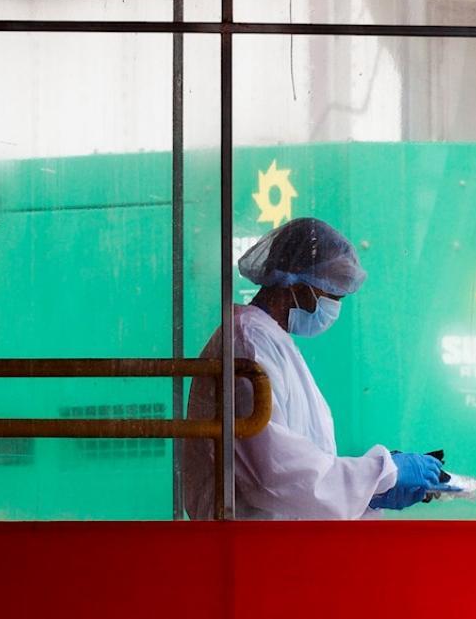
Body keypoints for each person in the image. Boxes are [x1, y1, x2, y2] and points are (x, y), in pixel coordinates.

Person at [182, 217, 446, 519]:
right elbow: (275, 473)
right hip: (248, 550)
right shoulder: (249, 343)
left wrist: (370, 493)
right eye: (332, 294)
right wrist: (383, 473)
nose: (335, 306)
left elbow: (302, 469)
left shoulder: (272, 341)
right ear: (297, 283)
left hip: (276, 545)